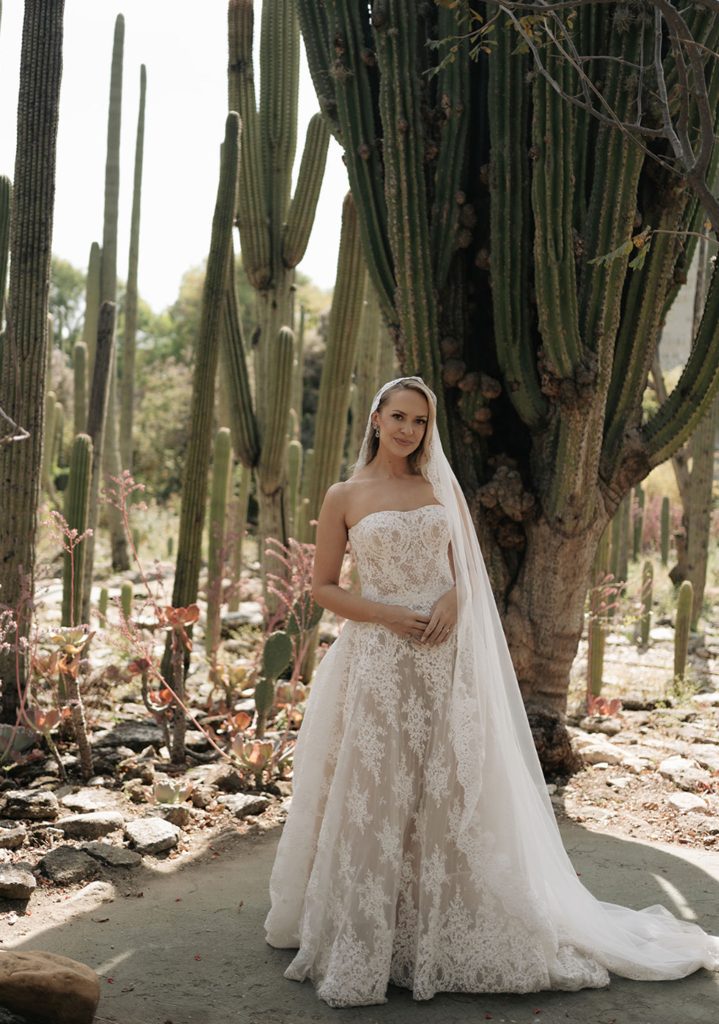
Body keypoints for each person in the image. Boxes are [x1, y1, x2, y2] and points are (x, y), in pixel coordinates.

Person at [264, 376, 719, 1007]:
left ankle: (437, 928)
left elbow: (465, 572)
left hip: (442, 658)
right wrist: (387, 614)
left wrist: (451, 597)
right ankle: (369, 933)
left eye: (420, 422)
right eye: (398, 417)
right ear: (375, 419)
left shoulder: (437, 489)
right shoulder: (345, 495)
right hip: (376, 658)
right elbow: (322, 588)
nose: (408, 430)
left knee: (446, 785)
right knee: (378, 788)